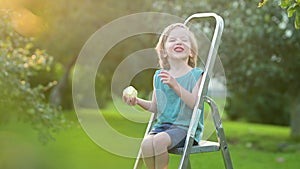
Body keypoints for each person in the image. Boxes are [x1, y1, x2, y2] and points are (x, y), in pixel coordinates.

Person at [123, 23, 204, 169]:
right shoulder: (159, 76)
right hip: (163, 127)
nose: (179, 42)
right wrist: (137, 101)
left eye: (184, 40)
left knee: (159, 141)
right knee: (146, 143)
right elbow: (155, 107)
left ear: (191, 52)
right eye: (172, 40)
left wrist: (176, 86)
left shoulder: (196, 75)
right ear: (164, 51)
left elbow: (195, 104)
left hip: (186, 128)